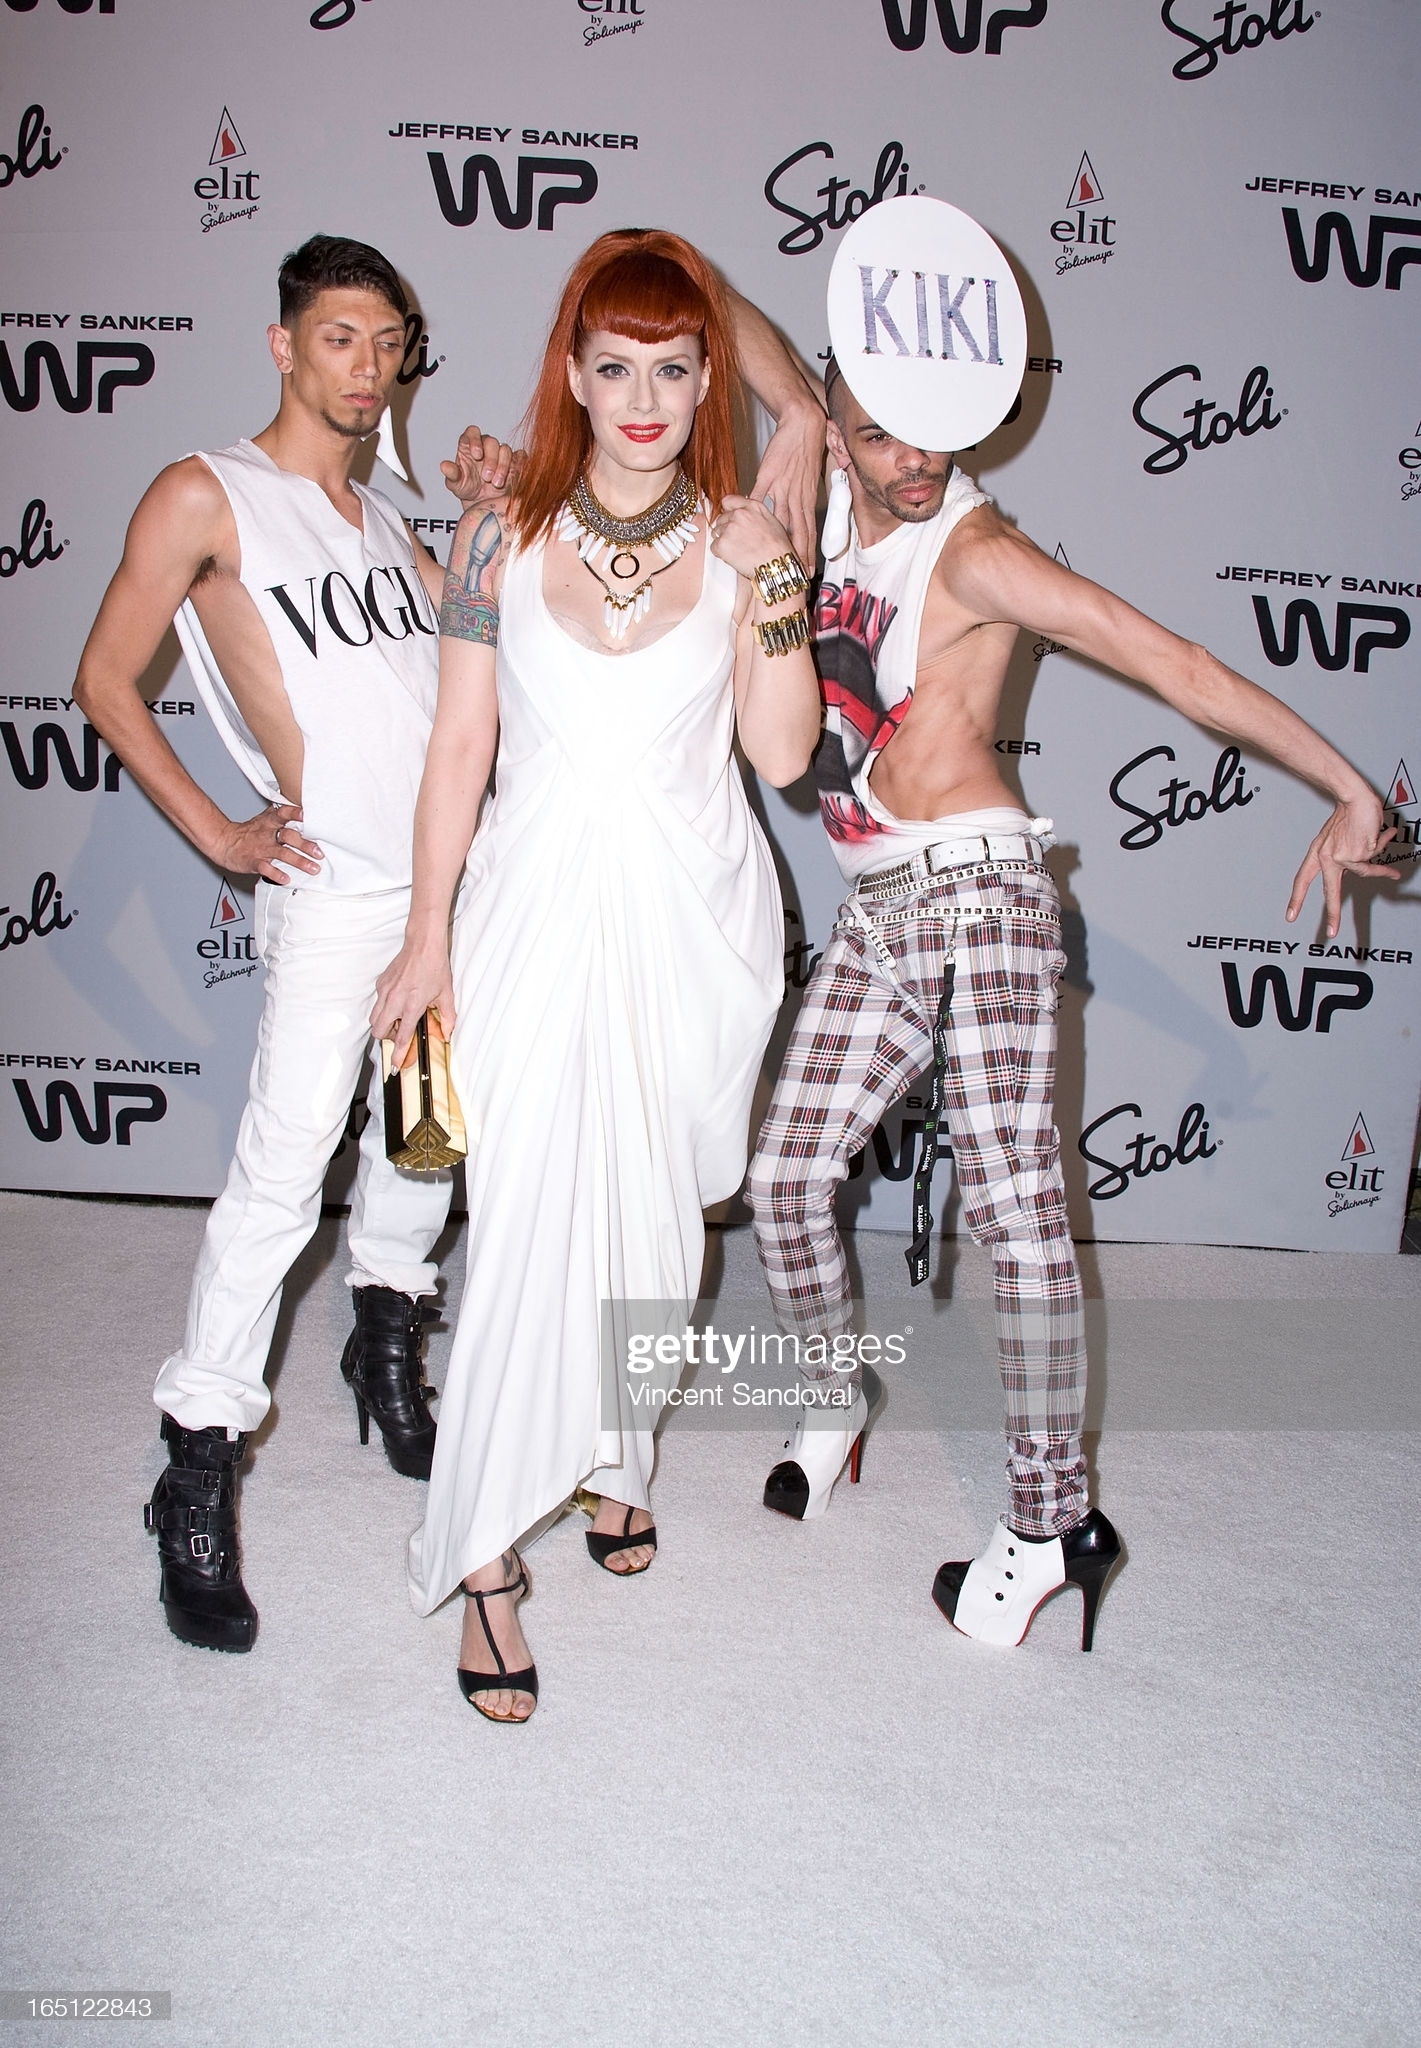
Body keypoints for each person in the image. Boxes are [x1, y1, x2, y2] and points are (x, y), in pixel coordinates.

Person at [73, 229, 824, 1656]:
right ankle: (203, 1458)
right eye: (338, 338)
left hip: (534, 887)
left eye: (387, 343)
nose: (367, 367)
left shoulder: (389, 519)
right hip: (392, 894)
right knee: (294, 1175)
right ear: (284, 343)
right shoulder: (210, 493)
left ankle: (407, 1364)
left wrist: (765, 539)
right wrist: (227, 837)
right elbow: (116, 679)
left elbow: (547, 667)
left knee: (438, 1173)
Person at [745, 354, 1394, 1651]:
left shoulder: (976, 550)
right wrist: (797, 417)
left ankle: (1050, 1528)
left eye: (932, 434)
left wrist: (1347, 787)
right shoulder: (819, 510)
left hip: (980, 894)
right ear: (838, 424)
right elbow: (749, 335)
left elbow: (1169, 659)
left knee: (1016, 1216)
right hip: (880, 911)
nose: (913, 462)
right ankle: (833, 1399)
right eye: (879, 436)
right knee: (782, 1182)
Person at [371, 228, 823, 1720]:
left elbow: (781, 754)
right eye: (615, 367)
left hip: (692, 921)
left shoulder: (742, 543)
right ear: (570, 372)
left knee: (655, 1229)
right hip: (528, 913)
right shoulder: (495, 539)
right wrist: (426, 933)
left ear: (706, 383)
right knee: (521, 1228)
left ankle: (616, 1453)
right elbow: (458, 747)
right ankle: (484, 1557)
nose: (643, 400)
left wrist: (775, 585)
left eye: (673, 371)